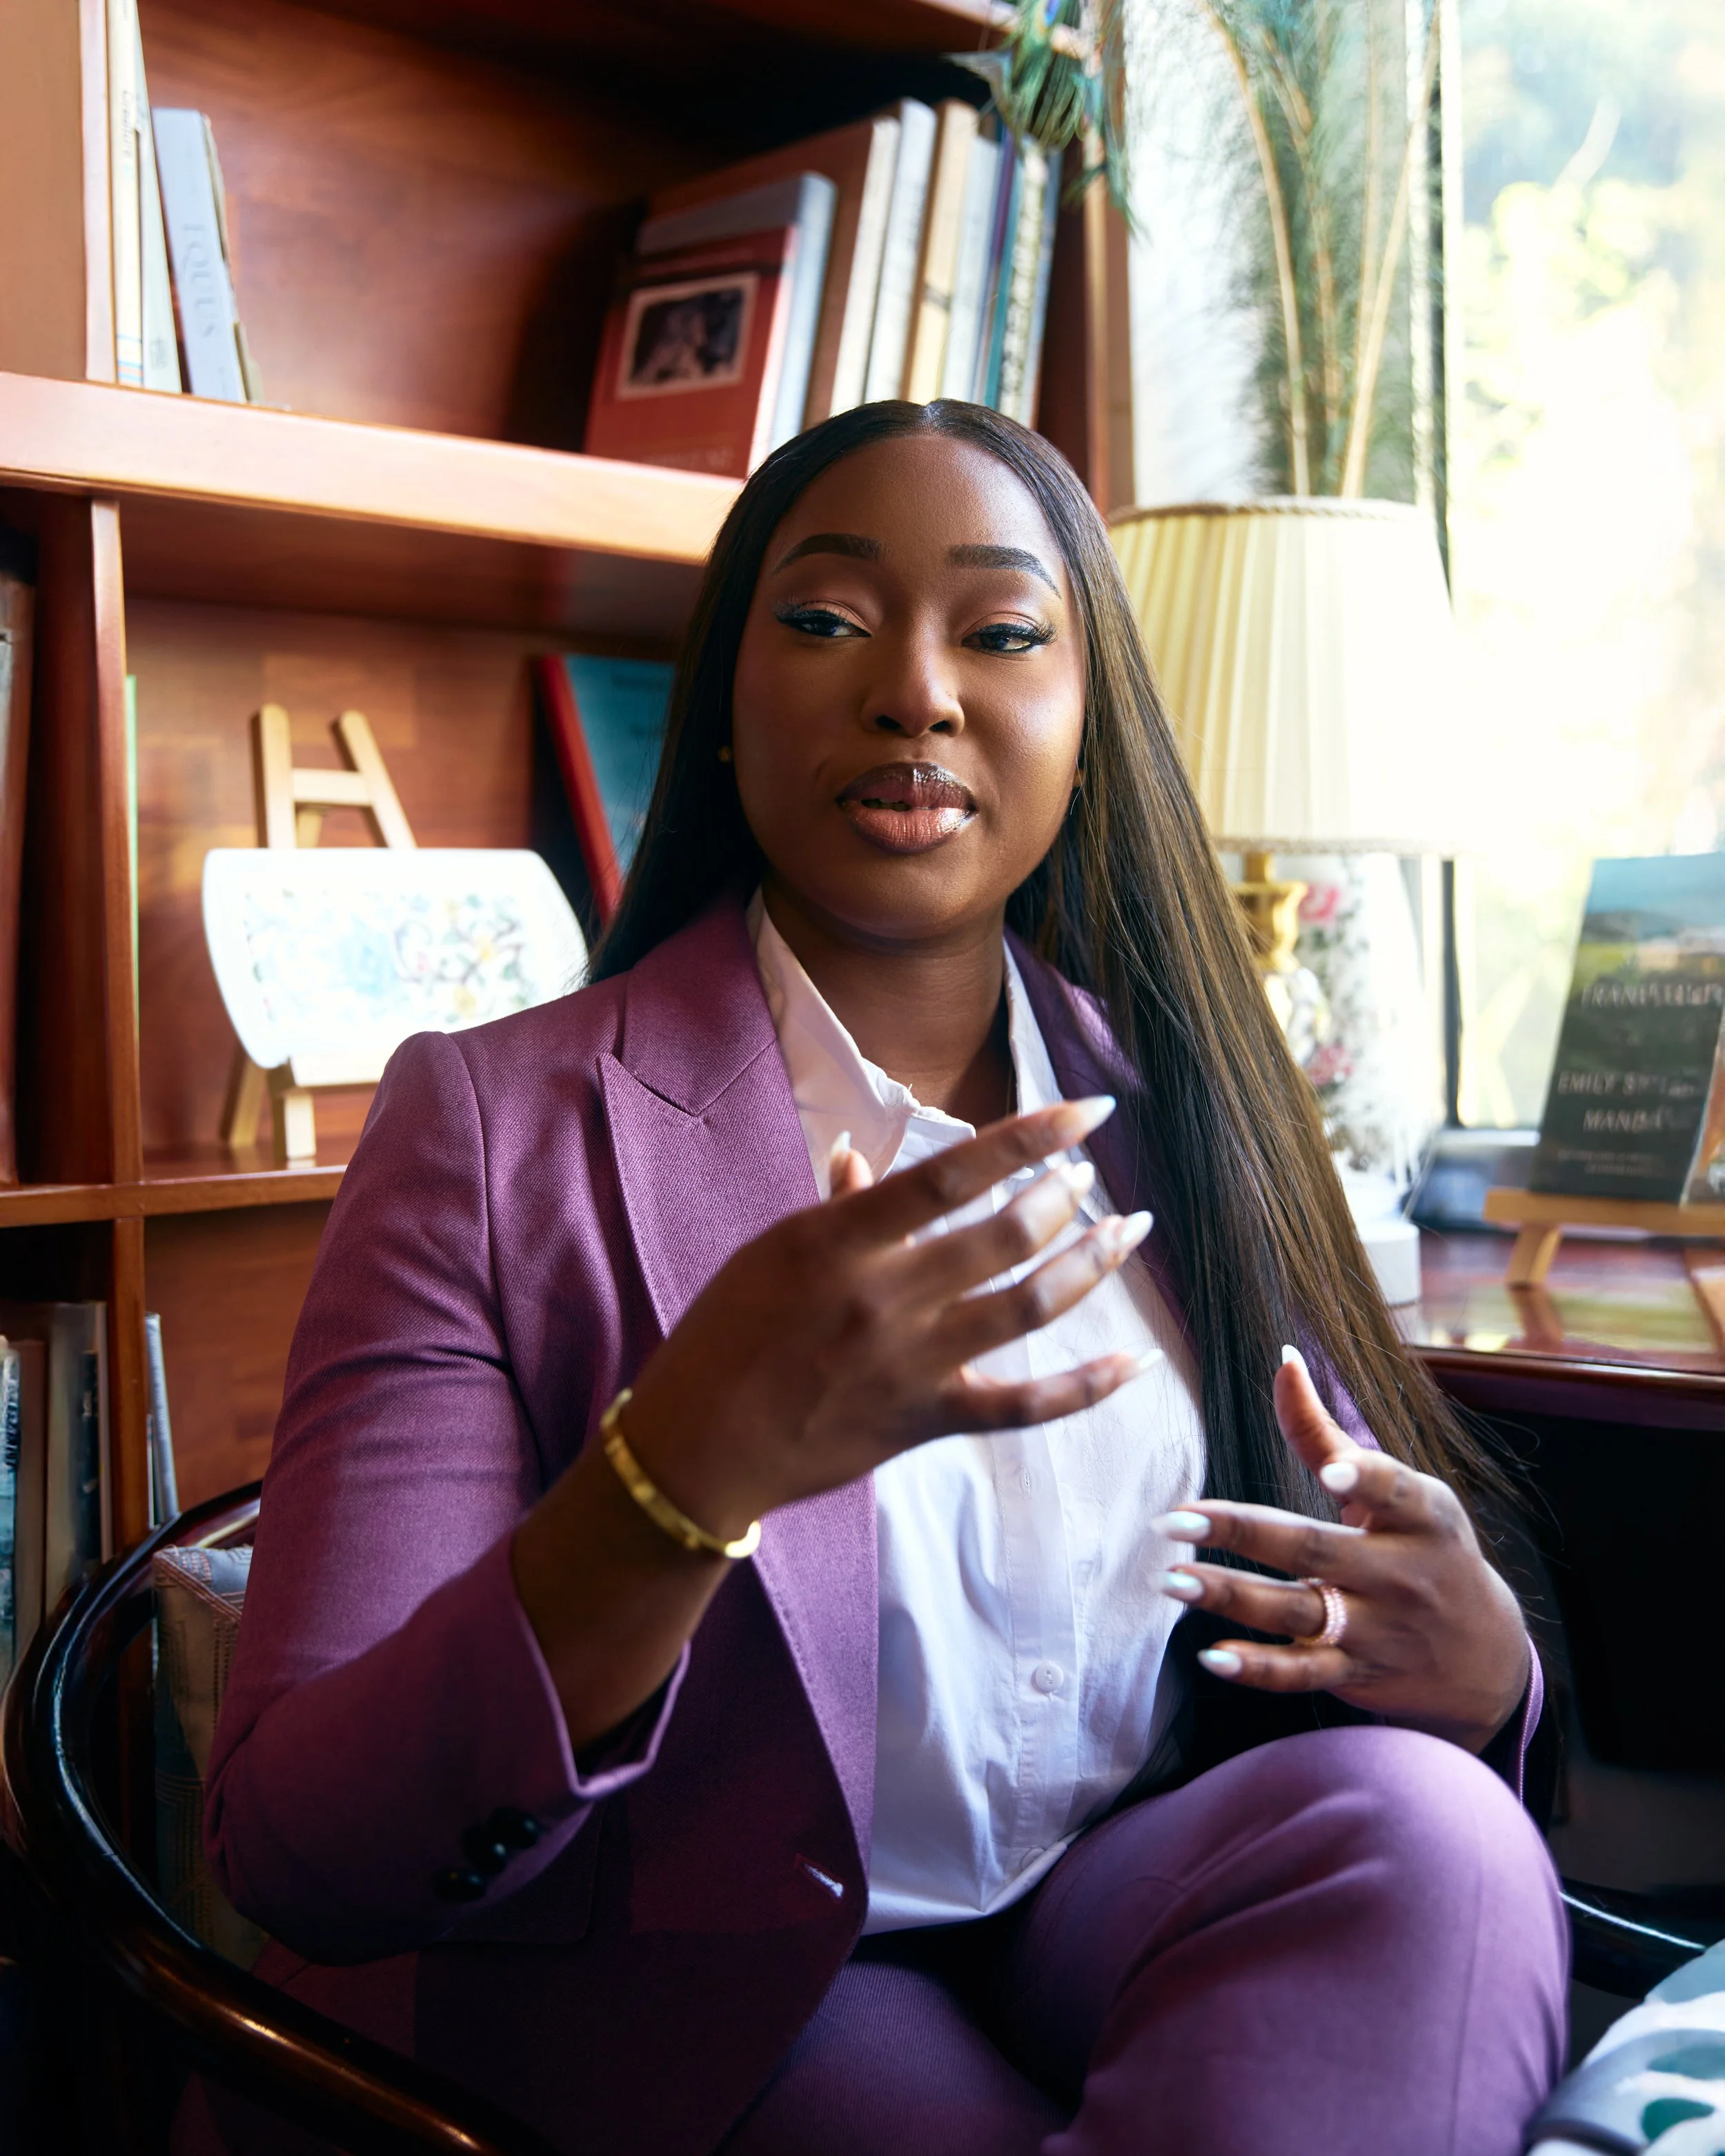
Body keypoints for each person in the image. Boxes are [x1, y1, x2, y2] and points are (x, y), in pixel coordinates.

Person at [186, 401, 1567, 2156]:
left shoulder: (1187, 1104)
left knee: (1429, 1839)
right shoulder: (490, 1122)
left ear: (1085, 726)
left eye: (999, 633)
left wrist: (1475, 1670)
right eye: (827, 620)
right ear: (724, 703)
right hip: (716, 1981)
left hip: (1110, 1895)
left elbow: (1347, 1573)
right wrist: (679, 1470)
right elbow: (301, 1846)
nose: (912, 690)